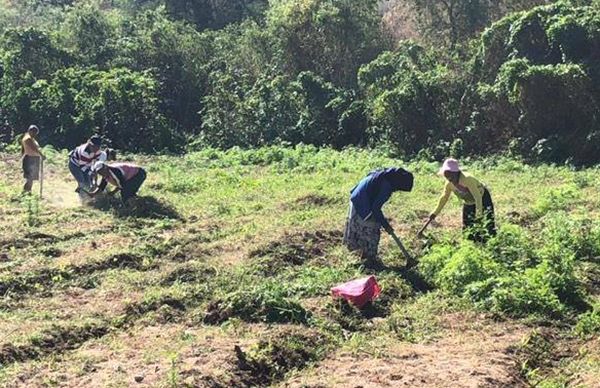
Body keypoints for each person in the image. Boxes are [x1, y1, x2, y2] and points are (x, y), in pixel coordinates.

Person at [343, 167, 414, 265]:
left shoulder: (382, 174)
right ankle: (369, 259)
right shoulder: (386, 187)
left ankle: (365, 256)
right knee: (373, 229)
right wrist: (386, 226)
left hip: (356, 198)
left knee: (369, 225)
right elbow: (376, 209)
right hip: (362, 202)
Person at [428, 158, 496, 243]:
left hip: (483, 198)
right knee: (467, 228)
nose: (448, 177)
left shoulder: (467, 179)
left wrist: (479, 216)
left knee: (487, 224)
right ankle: (470, 245)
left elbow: (478, 197)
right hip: (468, 202)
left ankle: (490, 243)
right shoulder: (449, 184)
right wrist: (435, 213)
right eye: (446, 174)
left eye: (450, 174)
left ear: (456, 173)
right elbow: (444, 198)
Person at [21, 125, 45, 194]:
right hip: (30, 159)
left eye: (36, 133)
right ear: (30, 131)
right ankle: (25, 193)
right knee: (30, 178)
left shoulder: (31, 138)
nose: (35, 134)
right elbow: (33, 148)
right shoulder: (28, 139)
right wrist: (41, 155)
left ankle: (28, 192)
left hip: (33, 159)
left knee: (31, 178)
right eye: (34, 132)